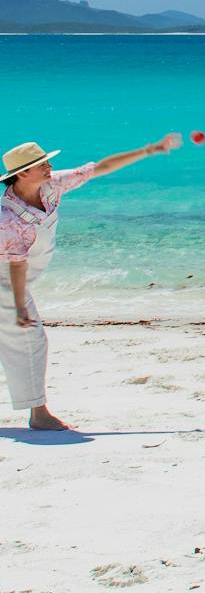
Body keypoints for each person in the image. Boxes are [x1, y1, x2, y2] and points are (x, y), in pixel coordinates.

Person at [3, 133, 183, 430]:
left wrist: (151, 149)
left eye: (47, 161)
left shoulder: (51, 186)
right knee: (30, 341)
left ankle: (37, 412)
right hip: (6, 281)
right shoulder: (9, 216)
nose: (48, 166)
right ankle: (39, 414)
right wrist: (20, 307)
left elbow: (101, 168)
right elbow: (16, 265)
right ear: (22, 173)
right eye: (41, 164)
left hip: (16, 278)